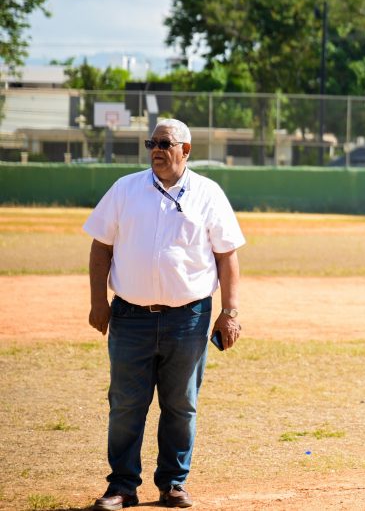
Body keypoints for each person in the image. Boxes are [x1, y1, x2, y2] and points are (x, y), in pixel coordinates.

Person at [84, 119, 245, 510]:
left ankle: (173, 483)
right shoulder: (125, 189)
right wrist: (98, 302)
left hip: (188, 319)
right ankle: (122, 486)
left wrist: (230, 311)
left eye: (164, 143)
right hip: (130, 317)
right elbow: (101, 246)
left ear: (185, 150)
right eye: (151, 143)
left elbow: (227, 256)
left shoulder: (208, 193)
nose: (156, 149)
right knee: (126, 405)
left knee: (180, 405)